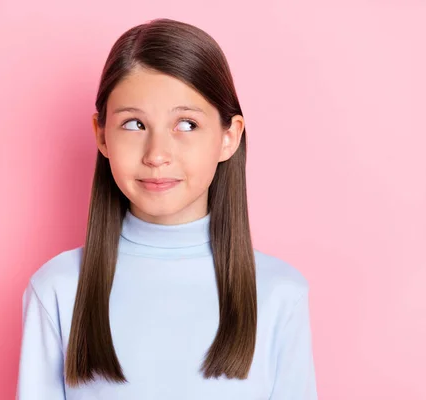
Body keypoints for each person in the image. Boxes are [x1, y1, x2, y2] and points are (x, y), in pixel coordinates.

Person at [16, 18, 317, 400]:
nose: (157, 154)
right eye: (134, 124)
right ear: (101, 134)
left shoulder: (279, 294)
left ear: (229, 137)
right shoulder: (57, 290)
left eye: (187, 125)